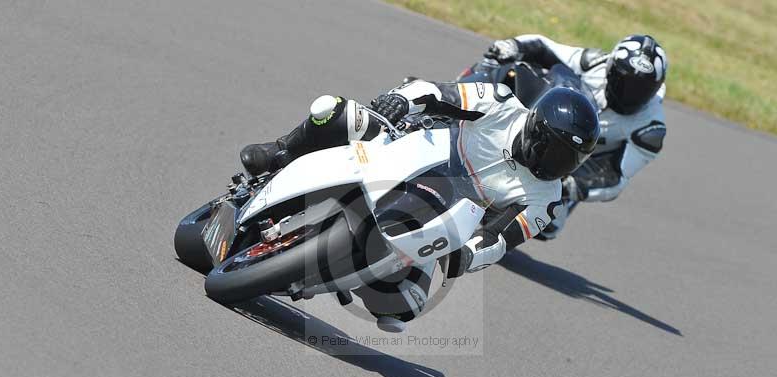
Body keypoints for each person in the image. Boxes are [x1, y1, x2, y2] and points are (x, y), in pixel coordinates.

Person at [239, 80, 599, 330]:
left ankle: (315, 271)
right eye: (555, 150)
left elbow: (499, 238)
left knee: (402, 307)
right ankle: (279, 153)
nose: (558, 164)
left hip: (445, 212)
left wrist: (468, 255)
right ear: (536, 128)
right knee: (337, 111)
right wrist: (404, 101)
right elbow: (437, 92)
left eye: (570, 159)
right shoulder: (502, 104)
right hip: (414, 147)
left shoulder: (547, 198)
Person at [485, 34, 667, 239]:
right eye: (624, 82)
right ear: (610, 68)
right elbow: (545, 46)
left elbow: (616, 178)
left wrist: (573, 186)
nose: (629, 94)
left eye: (641, 90)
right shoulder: (593, 63)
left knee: (547, 226)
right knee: (506, 67)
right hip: (543, 124)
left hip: (572, 166)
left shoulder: (651, 128)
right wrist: (514, 45)